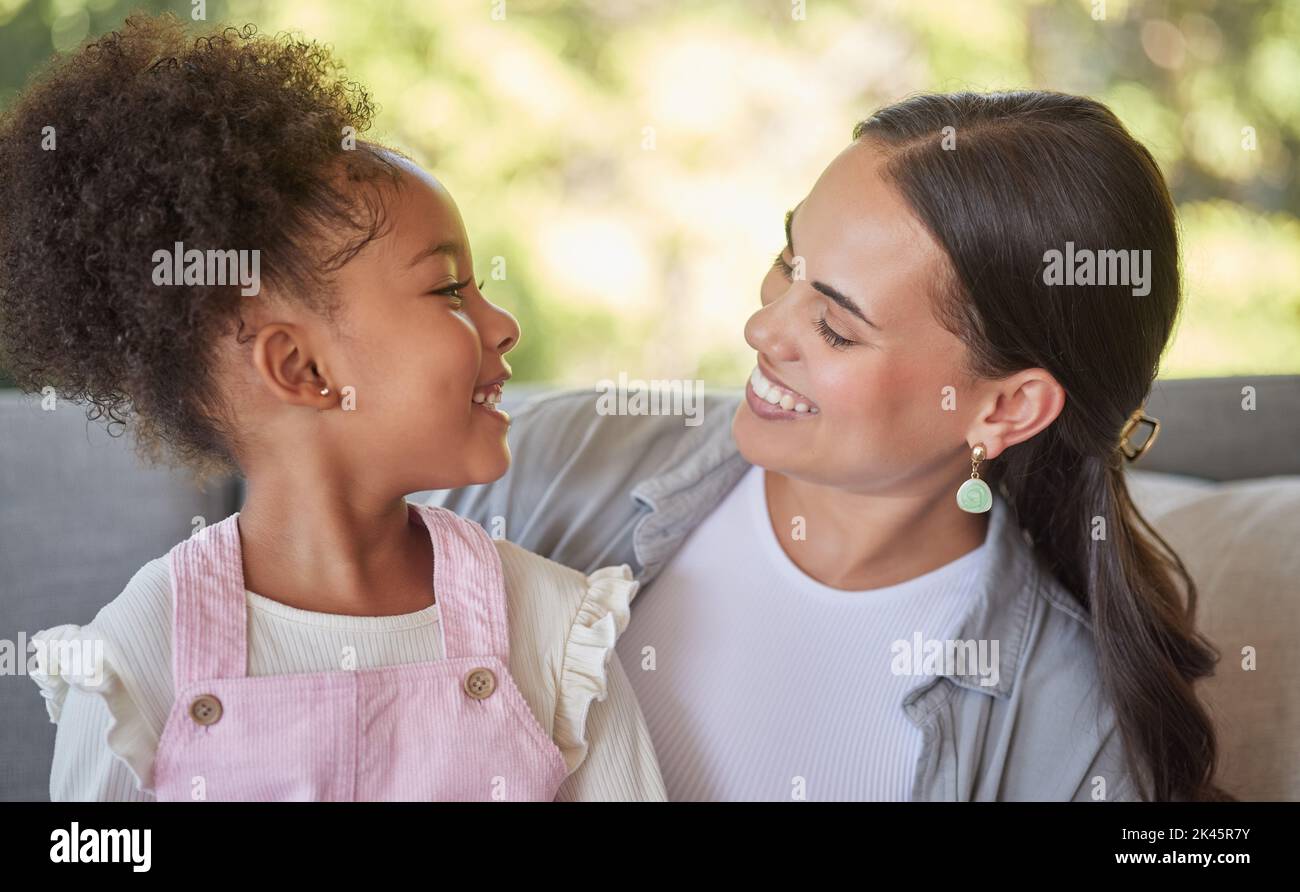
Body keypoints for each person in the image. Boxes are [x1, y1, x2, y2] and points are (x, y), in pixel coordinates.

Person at [1, 14, 664, 802]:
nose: (504, 325)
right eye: (449, 289)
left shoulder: (557, 631)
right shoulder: (139, 660)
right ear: (302, 368)